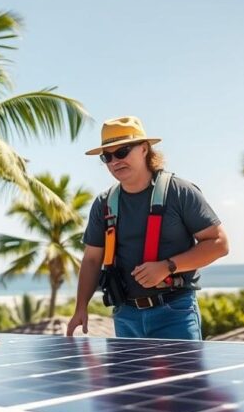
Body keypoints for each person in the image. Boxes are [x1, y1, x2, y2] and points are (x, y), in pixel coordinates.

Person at [67, 116, 229, 340]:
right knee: (131, 376)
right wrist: (81, 307)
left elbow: (219, 244)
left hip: (175, 312)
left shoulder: (179, 192)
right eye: (107, 156)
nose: (115, 161)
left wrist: (168, 266)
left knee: (183, 377)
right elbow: (92, 259)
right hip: (125, 314)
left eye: (122, 152)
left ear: (144, 149)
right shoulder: (104, 203)